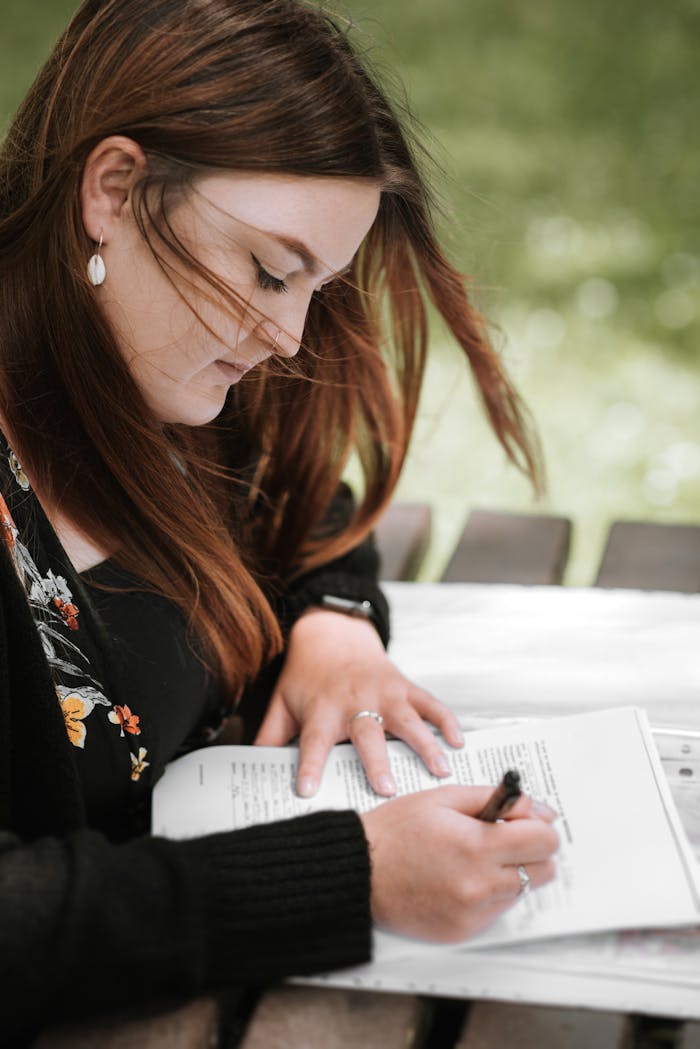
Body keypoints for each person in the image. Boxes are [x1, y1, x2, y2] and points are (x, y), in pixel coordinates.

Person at [0, 0, 559, 1042]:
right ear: (113, 188)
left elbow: (312, 506)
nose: (287, 335)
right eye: (268, 269)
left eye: (317, 286)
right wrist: (350, 877)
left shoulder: (159, 382)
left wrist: (335, 625)